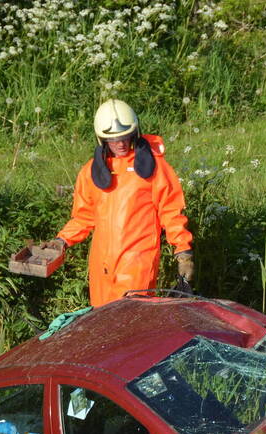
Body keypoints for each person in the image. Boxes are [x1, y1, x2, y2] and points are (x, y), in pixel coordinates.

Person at [40, 99, 194, 307]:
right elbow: (84, 217)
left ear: (134, 133)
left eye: (125, 137)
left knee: (130, 323)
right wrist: (61, 241)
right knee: (101, 323)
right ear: (102, 139)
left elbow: (171, 212)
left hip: (137, 262)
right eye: (113, 140)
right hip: (101, 266)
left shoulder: (154, 167)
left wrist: (183, 251)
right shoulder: (90, 171)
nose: (120, 144)